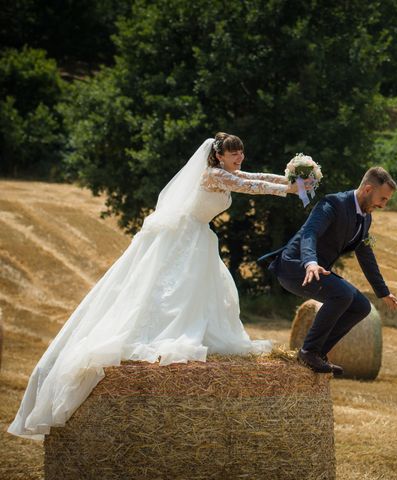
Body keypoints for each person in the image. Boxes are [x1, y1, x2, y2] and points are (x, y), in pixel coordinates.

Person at [8, 133, 306, 440]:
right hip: (185, 238)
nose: (239, 158)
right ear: (219, 157)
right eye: (234, 155)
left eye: (241, 153)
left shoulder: (228, 171)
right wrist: (288, 191)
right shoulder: (214, 175)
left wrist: (289, 179)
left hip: (198, 237)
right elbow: (250, 187)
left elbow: (254, 176)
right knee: (173, 292)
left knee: (197, 292)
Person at [261, 167, 397, 375]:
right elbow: (310, 232)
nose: (383, 205)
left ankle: (317, 353)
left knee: (361, 306)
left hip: (317, 271)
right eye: (382, 199)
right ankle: (308, 351)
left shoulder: (365, 217)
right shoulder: (333, 203)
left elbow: (365, 255)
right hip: (295, 266)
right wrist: (310, 261)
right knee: (342, 294)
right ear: (367, 189)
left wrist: (383, 292)